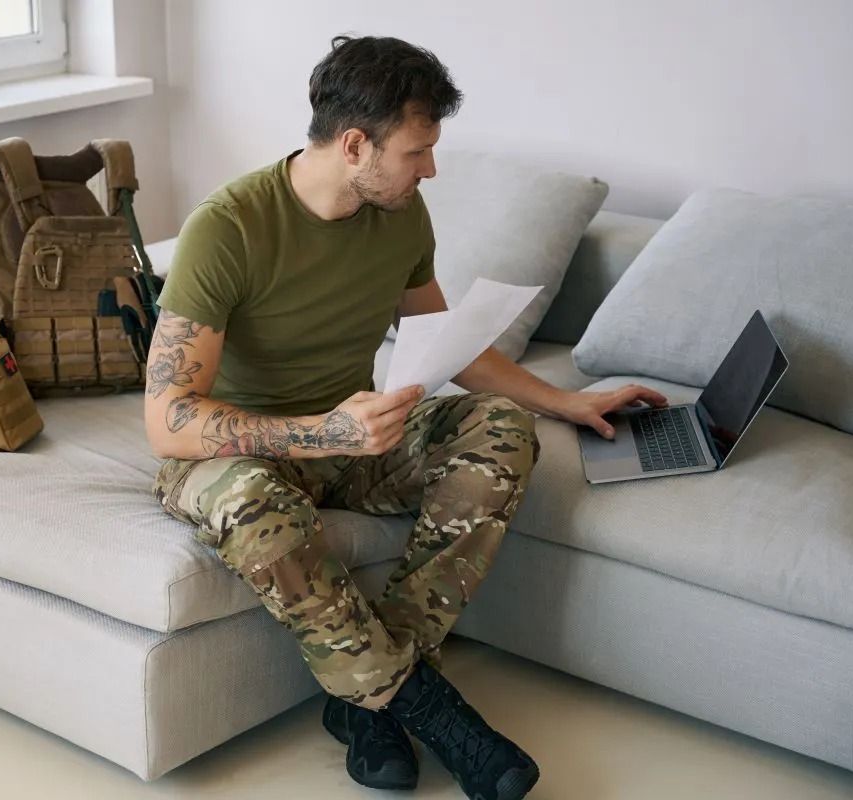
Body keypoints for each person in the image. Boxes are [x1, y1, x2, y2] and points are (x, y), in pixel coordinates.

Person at [145, 35, 667, 799]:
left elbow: (446, 342)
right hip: (237, 456)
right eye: (418, 150)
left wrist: (567, 400)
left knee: (498, 428)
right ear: (355, 144)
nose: (430, 169)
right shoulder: (227, 227)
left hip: (353, 442)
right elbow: (167, 418)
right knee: (249, 501)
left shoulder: (400, 213)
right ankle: (431, 711)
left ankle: (364, 706)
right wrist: (323, 431)